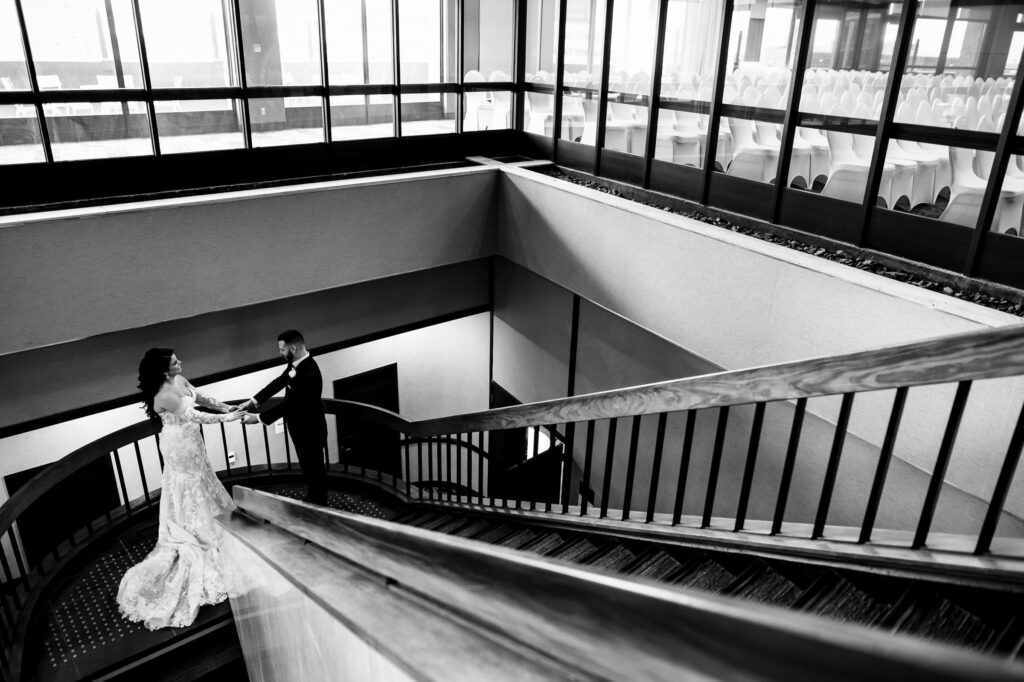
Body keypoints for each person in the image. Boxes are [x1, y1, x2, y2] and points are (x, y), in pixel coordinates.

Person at [117, 348, 248, 630]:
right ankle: (197, 531)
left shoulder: (179, 380)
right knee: (189, 486)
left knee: (203, 477)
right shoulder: (164, 394)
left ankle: (211, 517)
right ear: (164, 369)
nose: (181, 362)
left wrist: (225, 407)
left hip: (192, 441)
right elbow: (194, 416)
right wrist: (228, 419)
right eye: (175, 361)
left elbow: (200, 397)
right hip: (180, 444)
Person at [240, 329, 329, 504]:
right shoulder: (296, 364)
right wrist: (253, 401)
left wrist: (258, 418)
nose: (280, 353)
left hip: (311, 430)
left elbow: (291, 405)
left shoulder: (309, 372)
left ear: (293, 349)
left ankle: (321, 504)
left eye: (282, 350)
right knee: (307, 467)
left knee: (315, 469)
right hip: (299, 428)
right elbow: (279, 382)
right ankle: (313, 497)